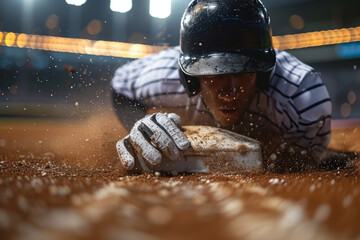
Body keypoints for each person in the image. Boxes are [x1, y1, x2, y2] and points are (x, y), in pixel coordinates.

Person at [111, 0, 353, 172]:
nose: (230, 92)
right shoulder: (161, 76)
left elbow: (305, 158)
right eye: (214, 74)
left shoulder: (302, 95)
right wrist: (137, 124)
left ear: (265, 70)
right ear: (189, 77)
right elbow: (120, 87)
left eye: (245, 71)